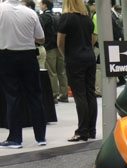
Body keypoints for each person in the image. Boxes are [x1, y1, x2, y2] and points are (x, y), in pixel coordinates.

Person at [0, 0, 47, 149]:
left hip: (6, 56)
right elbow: (41, 38)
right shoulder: (30, 12)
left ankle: (15, 139)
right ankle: (41, 137)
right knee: (35, 96)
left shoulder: (1, 9)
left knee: (12, 97)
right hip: (28, 56)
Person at [58, 0, 96, 142]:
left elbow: (60, 42)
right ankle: (91, 130)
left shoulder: (66, 18)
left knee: (80, 95)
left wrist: (66, 55)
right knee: (90, 93)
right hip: (89, 57)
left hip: (75, 59)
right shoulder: (87, 19)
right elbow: (92, 38)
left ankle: (82, 131)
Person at [40, 0, 69, 103]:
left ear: (45, 5)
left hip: (49, 47)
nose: (40, 5)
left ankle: (53, 95)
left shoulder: (43, 17)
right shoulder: (58, 16)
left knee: (52, 72)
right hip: (60, 47)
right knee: (62, 72)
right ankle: (64, 95)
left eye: (41, 4)